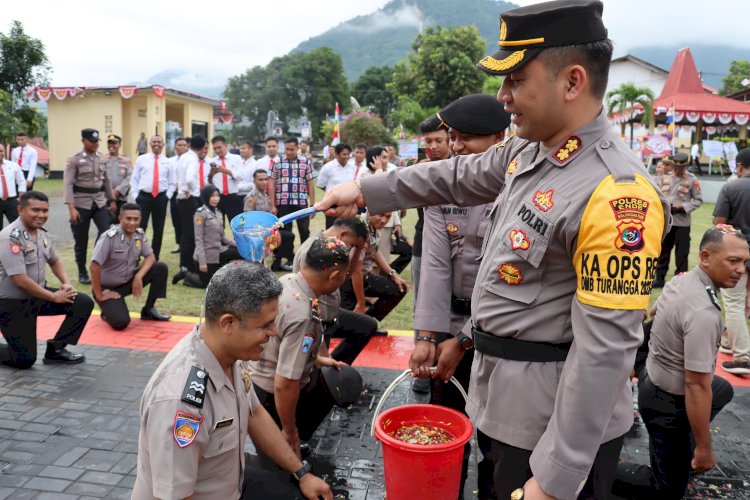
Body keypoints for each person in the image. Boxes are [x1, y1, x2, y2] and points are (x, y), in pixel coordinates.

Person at [315, 1, 671, 498]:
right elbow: (456, 174)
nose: (502, 97)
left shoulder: (616, 194)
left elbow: (604, 352)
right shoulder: (534, 147)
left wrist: (557, 476)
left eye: (516, 80)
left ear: (571, 82)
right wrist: (369, 190)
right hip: (502, 400)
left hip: (551, 427)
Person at [132, 261, 333, 500]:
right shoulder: (180, 401)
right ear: (228, 323)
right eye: (266, 325)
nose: (274, 333)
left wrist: (302, 473)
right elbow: (176, 496)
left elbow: (254, 414)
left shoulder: (227, 354)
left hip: (230, 483)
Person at [411, 93, 510, 500]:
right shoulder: (443, 187)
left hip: (499, 336)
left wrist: (465, 340)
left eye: (467, 138)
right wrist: (427, 338)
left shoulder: (515, 189)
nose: (455, 148)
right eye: (453, 138)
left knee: (497, 440)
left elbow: (506, 280)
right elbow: (434, 266)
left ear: (500, 139)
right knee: (443, 429)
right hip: (448, 325)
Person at [613, 225, 743, 499]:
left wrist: (636, 362)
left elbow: (652, 318)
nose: (741, 270)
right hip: (666, 403)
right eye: (733, 261)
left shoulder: (681, 281)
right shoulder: (703, 312)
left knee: (723, 389)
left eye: (745, 262)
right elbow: (696, 386)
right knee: (667, 491)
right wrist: (704, 448)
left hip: (653, 378)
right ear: (706, 257)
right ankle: (596, 471)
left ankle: (680, 451)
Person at [248, 237, 352, 458]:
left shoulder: (289, 281)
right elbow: (285, 383)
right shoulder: (304, 316)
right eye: (345, 273)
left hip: (255, 383)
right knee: (280, 471)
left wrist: (316, 358)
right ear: (334, 275)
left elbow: (281, 344)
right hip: (269, 397)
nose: (346, 278)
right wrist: (289, 431)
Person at [0, 191, 93, 369]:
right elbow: (20, 280)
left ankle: (56, 350)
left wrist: (66, 283)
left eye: (45, 210)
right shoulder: (9, 237)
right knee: (23, 360)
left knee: (81, 302)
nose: (41, 215)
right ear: (20, 209)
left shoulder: (40, 233)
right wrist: (54, 297)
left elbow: (55, 260)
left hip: (36, 296)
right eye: (35, 210)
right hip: (12, 304)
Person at [293, 218, 377, 366]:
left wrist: (358, 249)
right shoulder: (313, 251)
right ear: (342, 234)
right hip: (316, 317)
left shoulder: (331, 247)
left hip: (331, 314)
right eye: (351, 245)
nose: (350, 249)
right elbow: (309, 299)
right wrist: (323, 351)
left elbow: (348, 273)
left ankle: (336, 369)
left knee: (366, 326)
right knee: (313, 371)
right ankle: (329, 373)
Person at [411, 114, 451, 394]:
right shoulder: (420, 171)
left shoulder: (465, 169)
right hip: (422, 248)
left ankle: (447, 366)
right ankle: (421, 372)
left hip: (456, 251)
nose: (433, 146)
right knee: (422, 307)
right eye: (429, 141)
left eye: (439, 140)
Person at [90, 203, 170, 330]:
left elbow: (150, 257)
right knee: (121, 322)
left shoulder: (139, 234)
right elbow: (94, 266)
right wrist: (99, 294)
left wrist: (139, 276)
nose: (132, 223)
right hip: (107, 288)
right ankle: (106, 309)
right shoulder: (109, 237)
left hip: (127, 281)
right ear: (120, 218)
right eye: (128, 219)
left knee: (160, 268)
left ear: (140, 219)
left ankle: (148, 309)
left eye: (136, 219)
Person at [713, 147, 750, 375]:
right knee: (745, 301)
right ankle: (728, 340)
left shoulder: (731, 187)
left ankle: (743, 357)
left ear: (738, 166)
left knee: (734, 304)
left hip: (738, 253)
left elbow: (719, 224)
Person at [64, 128, 116, 285]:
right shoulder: (74, 159)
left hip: (100, 201)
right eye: (92, 142)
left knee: (105, 233)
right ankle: (82, 271)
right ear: (83, 141)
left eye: (97, 142)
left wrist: (112, 199)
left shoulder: (102, 158)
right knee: (81, 239)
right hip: (81, 203)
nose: (95, 145)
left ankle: (98, 266)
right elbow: (68, 184)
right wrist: (71, 208)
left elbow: (106, 180)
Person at [340, 212, 407, 324]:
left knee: (400, 288)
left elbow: (374, 251)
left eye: (388, 217)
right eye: (381, 215)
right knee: (346, 327)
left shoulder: (372, 226)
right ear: (370, 211)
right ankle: (366, 323)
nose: (384, 220)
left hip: (364, 277)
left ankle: (369, 321)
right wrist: (361, 303)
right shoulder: (361, 229)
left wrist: (393, 274)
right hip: (348, 281)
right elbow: (355, 272)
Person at [653, 152, 703, 288]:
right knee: (663, 252)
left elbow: (698, 200)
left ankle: (680, 281)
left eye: (681, 168)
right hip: (667, 222)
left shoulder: (693, 180)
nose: (678, 171)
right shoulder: (664, 178)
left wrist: (683, 207)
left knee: (682, 254)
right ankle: (659, 278)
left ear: (686, 166)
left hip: (682, 223)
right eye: (675, 167)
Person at [178, 185, 241, 289]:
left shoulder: (218, 213)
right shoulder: (200, 214)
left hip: (219, 252)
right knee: (209, 286)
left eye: (217, 195)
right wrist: (202, 263)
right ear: (206, 197)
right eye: (212, 196)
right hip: (206, 257)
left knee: (238, 252)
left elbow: (223, 237)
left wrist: (239, 245)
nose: (216, 198)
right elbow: (198, 239)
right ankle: (186, 275)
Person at [130, 135, 176, 260]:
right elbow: (134, 178)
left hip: (161, 198)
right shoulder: (141, 159)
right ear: (150, 144)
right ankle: (136, 255)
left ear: (163, 144)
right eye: (154, 142)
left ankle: (155, 256)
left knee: (158, 228)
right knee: (140, 228)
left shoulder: (168, 162)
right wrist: (135, 195)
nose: (156, 144)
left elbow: (172, 182)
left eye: (159, 142)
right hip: (143, 198)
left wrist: (167, 196)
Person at [245, 170, 294, 272]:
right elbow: (247, 219)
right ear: (254, 181)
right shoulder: (251, 197)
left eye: (266, 179)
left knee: (289, 236)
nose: (264, 182)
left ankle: (276, 264)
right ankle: (265, 265)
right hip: (257, 233)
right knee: (283, 237)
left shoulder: (266, 195)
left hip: (269, 230)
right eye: (260, 180)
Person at [268, 137, 316, 244]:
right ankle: (288, 256)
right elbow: (271, 183)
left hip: (301, 202)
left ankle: (304, 255)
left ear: (297, 148)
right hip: (283, 203)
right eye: (287, 149)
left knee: (304, 230)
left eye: (292, 149)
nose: (289, 152)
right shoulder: (277, 162)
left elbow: (310, 182)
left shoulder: (306, 162)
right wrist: (272, 205)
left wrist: (312, 203)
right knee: (285, 232)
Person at [317, 143, 354, 228]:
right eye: (344, 154)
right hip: (332, 206)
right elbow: (320, 185)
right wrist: (333, 193)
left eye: (348, 154)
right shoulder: (328, 167)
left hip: (348, 206)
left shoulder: (352, 167)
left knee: (347, 230)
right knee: (332, 230)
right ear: (337, 154)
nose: (347, 156)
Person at [211, 135, 247, 223]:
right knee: (217, 226)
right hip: (218, 197)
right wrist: (211, 174)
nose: (217, 150)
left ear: (225, 145)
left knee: (238, 225)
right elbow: (210, 181)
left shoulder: (236, 158)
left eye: (219, 147)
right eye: (215, 148)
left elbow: (242, 176)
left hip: (233, 196)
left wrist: (226, 171)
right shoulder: (212, 161)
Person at [104, 134, 133, 218]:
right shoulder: (102, 160)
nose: (111, 145)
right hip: (105, 198)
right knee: (105, 226)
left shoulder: (126, 160)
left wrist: (118, 191)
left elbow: (129, 177)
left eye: (114, 143)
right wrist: (110, 192)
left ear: (119, 145)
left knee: (121, 223)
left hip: (121, 198)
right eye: (109, 143)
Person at [169, 137, 189, 254]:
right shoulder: (170, 161)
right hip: (174, 192)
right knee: (176, 219)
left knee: (185, 218)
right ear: (175, 147)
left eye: (184, 145)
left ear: (187, 147)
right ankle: (180, 244)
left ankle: (187, 244)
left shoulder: (190, 160)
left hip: (185, 193)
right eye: (179, 145)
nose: (181, 147)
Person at [0, 143, 27, 228]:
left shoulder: (13, 165)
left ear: (4, 152)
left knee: (18, 226)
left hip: (11, 201)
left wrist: (21, 198)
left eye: (1, 151)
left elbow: (22, 181)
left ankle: (18, 241)